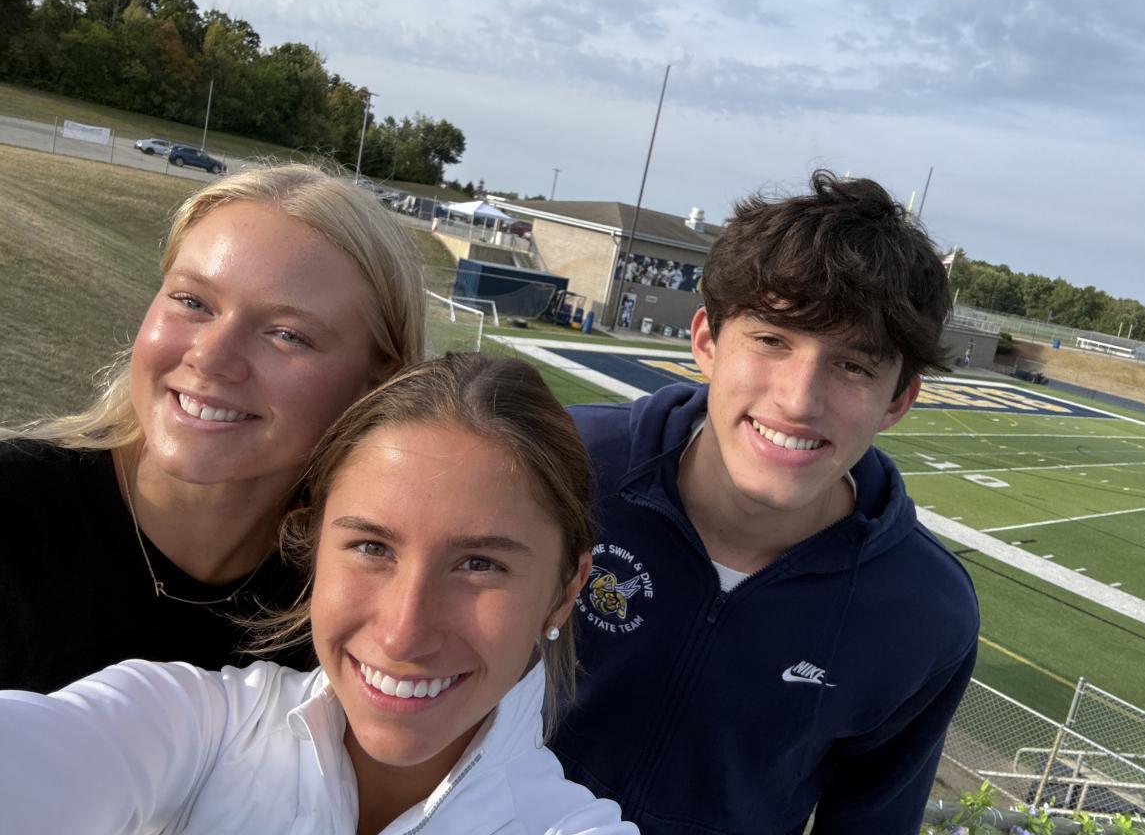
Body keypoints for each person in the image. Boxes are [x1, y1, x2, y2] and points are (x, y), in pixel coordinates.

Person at [0, 354, 638, 835]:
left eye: (479, 564)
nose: (403, 633)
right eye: (372, 547)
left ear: (564, 592)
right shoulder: (192, 724)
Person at [550, 171, 981, 834]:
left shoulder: (923, 612)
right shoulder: (564, 465)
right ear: (707, 341)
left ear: (898, 400)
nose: (798, 400)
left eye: (854, 366)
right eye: (772, 339)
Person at [0, 164, 426, 693]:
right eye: (192, 302)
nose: (210, 357)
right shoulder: (15, 509)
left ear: (376, 385)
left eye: (287, 334)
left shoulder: (364, 609)